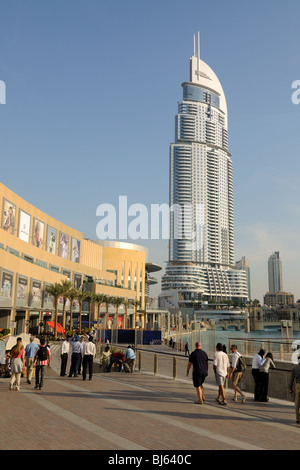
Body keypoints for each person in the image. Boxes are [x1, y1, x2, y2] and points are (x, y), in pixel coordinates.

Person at [288, 355, 300, 423]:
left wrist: (290, 388)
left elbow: (291, 380)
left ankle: (297, 418)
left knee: (297, 402)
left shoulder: (294, 368)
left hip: (298, 385)